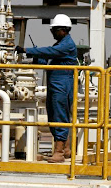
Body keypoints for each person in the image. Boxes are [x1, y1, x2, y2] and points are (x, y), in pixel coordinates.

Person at [15, 14, 77, 163]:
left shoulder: (67, 44)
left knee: (59, 116)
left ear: (63, 30)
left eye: (54, 30)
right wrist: (36, 58)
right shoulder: (60, 44)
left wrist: (27, 50)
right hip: (55, 84)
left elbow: (51, 52)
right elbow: (50, 58)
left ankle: (59, 153)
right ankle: (66, 149)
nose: (52, 33)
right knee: (54, 115)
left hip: (62, 84)